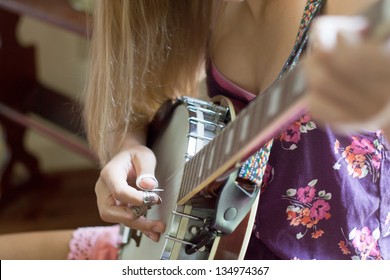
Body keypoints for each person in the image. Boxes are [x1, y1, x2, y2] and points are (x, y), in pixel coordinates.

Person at [0, 0, 389, 260]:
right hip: (211, 251)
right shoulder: (212, 8)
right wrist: (130, 147)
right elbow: (152, 99)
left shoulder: (348, 8)